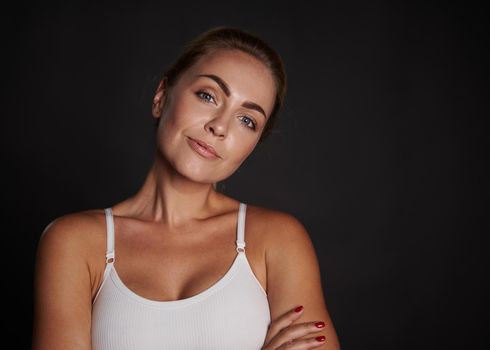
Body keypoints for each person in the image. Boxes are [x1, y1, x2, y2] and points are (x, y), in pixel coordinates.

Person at [32, 26, 341, 350]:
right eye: (208, 96)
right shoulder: (74, 242)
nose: (219, 126)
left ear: (252, 146)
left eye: (247, 120)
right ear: (161, 96)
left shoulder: (278, 239)